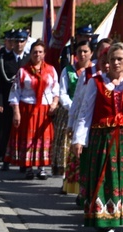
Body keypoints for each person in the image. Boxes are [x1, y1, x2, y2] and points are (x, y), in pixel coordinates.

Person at [71, 42, 123, 232]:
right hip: (103, 140)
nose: (116, 62)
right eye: (113, 58)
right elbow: (85, 113)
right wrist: (78, 139)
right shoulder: (97, 82)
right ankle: (105, 222)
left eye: (120, 59)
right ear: (107, 61)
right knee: (106, 179)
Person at [2, 40, 59, 180]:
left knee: (42, 138)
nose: (37, 54)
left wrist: (55, 103)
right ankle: (28, 167)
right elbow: (15, 93)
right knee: (28, 138)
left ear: (44, 54)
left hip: (44, 110)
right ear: (30, 54)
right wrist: (16, 112)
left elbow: (56, 90)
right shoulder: (23, 71)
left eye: (40, 52)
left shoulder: (51, 70)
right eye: (35, 52)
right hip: (27, 108)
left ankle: (42, 167)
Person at [53, 40, 91, 184]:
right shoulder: (68, 70)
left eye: (85, 51)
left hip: (88, 113)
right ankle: (67, 181)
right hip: (69, 112)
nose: (82, 54)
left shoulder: (94, 71)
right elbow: (62, 92)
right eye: (79, 51)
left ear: (91, 53)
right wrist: (72, 108)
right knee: (67, 148)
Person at [0, 30, 29, 162]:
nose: (18, 44)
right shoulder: (3, 59)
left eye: (21, 41)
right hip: (7, 99)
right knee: (5, 128)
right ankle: (3, 155)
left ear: (26, 41)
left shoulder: (29, 59)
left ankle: (22, 156)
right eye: (16, 41)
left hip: (24, 101)